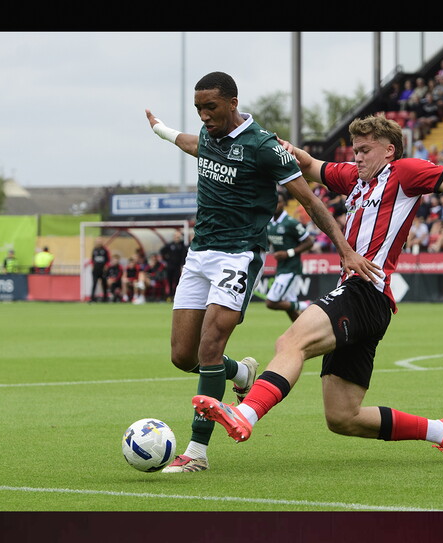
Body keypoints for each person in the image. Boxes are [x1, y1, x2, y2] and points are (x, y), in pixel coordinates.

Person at [191, 114, 443, 465]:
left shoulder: (405, 172)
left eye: (364, 150)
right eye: (354, 150)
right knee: (343, 417)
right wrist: (283, 147)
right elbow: (309, 166)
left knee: (291, 342)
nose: (357, 158)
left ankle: (245, 414)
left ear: (389, 149)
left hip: (366, 291)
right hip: (366, 301)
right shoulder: (353, 178)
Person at [145, 71, 378, 473]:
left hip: (239, 255)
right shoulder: (208, 137)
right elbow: (189, 142)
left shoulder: (264, 147)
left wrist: (345, 250)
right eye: (198, 108)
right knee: (183, 357)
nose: (203, 115)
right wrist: (161, 130)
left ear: (233, 103)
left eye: (211, 107)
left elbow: (311, 200)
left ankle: (196, 453)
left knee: (210, 345)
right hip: (200, 255)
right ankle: (241, 371)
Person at [264, 190, 314, 322]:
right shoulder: (269, 224)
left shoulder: (291, 223)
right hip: (281, 267)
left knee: (271, 302)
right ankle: (301, 333)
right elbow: (269, 242)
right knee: (289, 306)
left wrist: (288, 253)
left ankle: (308, 305)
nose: (275, 204)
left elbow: (309, 242)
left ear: (285, 204)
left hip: (291, 268)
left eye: (279, 202)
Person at [159, 230, 188, 302]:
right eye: (175, 236)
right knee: (170, 281)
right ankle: (170, 296)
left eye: (178, 237)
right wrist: (166, 260)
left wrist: (183, 264)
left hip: (177, 267)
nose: (177, 238)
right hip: (170, 267)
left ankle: (176, 295)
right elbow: (162, 251)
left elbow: (184, 256)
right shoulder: (170, 245)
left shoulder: (182, 246)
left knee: (177, 281)